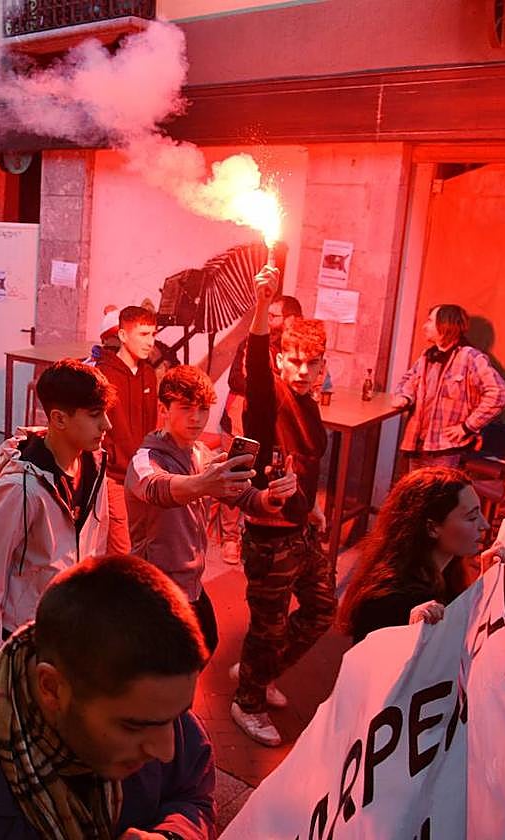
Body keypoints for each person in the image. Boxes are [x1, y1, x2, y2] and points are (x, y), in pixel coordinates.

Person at [0, 553, 216, 840]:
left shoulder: (154, 704)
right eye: (133, 726)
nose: (167, 749)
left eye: (179, 715)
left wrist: (172, 834)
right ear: (51, 688)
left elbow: (191, 792)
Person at [126, 364, 298, 655]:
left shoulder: (200, 454)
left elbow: (246, 498)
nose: (196, 418)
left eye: (203, 409)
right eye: (186, 408)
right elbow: (157, 488)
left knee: (205, 646)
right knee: (167, 665)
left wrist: (272, 497)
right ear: (163, 409)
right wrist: (202, 484)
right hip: (155, 586)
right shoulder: (145, 459)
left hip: (191, 583)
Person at [230, 267, 330, 748]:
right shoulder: (270, 396)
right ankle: (247, 700)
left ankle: (258, 669)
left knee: (322, 610)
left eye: (312, 363)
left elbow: (306, 462)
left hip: (301, 527)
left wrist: (313, 508)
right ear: (280, 360)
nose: (303, 370)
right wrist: (260, 305)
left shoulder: (308, 400)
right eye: (295, 361)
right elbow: (254, 359)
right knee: (267, 626)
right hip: (270, 533)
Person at [0, 360, 113, 664]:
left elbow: (96, 544)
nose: (107, 425)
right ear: (58, 419)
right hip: (26, 636)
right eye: (95, 414)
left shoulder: (95, 466)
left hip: (73, 624)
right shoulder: (19, 488)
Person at [338, 467, 504, 644]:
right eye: (471, 517)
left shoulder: (446, 575)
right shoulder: (389, 601)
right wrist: (413, 632)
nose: (484, 525)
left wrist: (484, 585)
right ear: (432, 528)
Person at [218, 294, 304, 564]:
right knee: (236, 477)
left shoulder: (294, 350)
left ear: (291, 320)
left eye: (274, 315)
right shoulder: (253, 344)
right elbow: (237, 379)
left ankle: (256, 534)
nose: (269, 319)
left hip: (272, 431)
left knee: (268, 479)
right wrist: (269, 392)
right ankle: (230, 538)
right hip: (241, 424)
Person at [393, 304, 505, 472]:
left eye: (430, 321)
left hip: (446, 447)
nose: (425, 326)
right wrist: (405, 396)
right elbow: (408, 380)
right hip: (419, 443)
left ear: (445, 325)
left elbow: (500, 394)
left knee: (440, 488)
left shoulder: (470, 357)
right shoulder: (427, 356)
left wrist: (467, 426)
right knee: (416, 487)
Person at [95, 305, 161, 553]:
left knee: (141, 545)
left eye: (153, 334)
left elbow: (151, 425)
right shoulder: (103, 375)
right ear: (123, 335)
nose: (150, 342)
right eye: (143, 334)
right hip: (115, 476)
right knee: (123, 550)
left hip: (142, 475)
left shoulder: (149, 374)